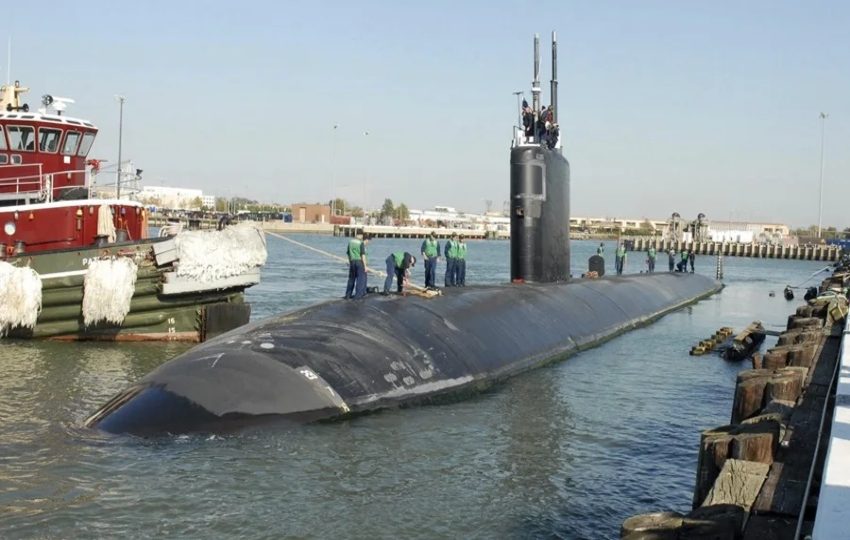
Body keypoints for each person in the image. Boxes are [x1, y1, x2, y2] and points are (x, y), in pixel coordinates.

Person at [344, 233, 369, 299]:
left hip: (352, 262)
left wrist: (350, 261)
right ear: (360, 235)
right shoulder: (360, 243)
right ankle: (358, 296)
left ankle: (348, 295)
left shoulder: (350, 242)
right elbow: (363, 255)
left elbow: (348, 253)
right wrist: (365, 266)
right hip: (359, 262)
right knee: (360, 279)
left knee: (351, 279)